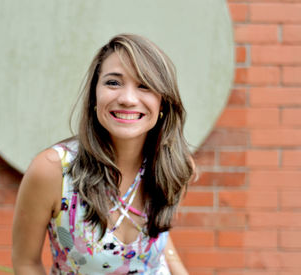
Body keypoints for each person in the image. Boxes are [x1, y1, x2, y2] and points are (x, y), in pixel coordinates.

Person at [12, 34, 194, 275]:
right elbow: (26, 262)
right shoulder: (53, 171)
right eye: (113, 83)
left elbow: (160, 239)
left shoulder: (171, 165)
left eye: (144, 85)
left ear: (163, 103)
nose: (128, 99)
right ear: (94, 96)